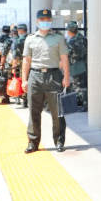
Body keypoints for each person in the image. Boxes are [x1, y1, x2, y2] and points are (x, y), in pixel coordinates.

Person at [21, 9, 70, 153]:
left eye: (48, 19)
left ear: (51, 21)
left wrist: (66, 77)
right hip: (35, 77)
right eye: (42, 19)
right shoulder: (30, 39)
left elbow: (64, 59)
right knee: (33, 112)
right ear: (37, 21)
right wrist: (24, 80)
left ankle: (59, 141)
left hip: (54, 76)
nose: (45, 21)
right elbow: (26, 61)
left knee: (57, 112)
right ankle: (33, 142)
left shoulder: (58, 38)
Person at [66, 21, 88, 112]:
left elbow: (68, 55)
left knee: (78, 86)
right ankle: (83, 103)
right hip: (84, 64)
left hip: (75, 66)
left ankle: (84, 104)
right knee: (84, 85)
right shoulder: (83, 39)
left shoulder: (71, 41)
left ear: (70, 31)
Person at [11, 23, 29, 107]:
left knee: (22, 80)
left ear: (21, 30)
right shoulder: (31, 38)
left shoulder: (18, 41)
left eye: (18, 30)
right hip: (33, 63)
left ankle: (24, 100)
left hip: (22, 63)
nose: (18, 31)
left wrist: (14, 67)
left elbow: (15, 56)